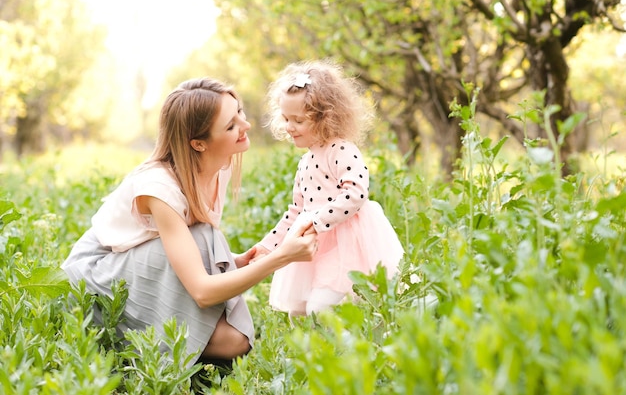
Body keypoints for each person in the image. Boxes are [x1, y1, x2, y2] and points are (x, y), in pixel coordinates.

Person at [61, 77, 318, 368]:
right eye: (231, 125)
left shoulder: (216, 167)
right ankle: (131, 344)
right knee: (207, 240)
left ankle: (164, 347)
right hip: (97, 278)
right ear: (198, 144)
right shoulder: (159, 187)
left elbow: (179, 248)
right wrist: (281, 258)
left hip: (141, 260)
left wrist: (239, 261)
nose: (245, 126)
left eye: (240, 113)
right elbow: (202, 290)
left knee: (236, 340)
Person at [254, 59, 404, 316]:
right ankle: (312, 353)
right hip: (314, 244)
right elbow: (296, 211)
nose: (290, 127)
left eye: (298, 120)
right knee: (298, 311)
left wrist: (316, 220)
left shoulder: (341, 149)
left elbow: (356, 193)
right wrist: (269, 245)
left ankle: (348, 350)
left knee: (321, 308)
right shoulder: (306, 160)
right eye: (286, 118)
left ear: (326, 118)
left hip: (345, 240)